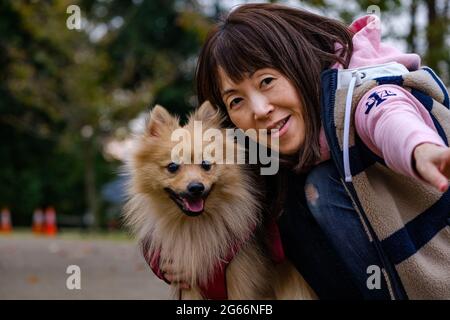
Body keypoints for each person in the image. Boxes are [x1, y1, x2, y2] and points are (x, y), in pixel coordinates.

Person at [190, 3, 450, 300]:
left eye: (267, 81)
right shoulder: (263, 149)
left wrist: (420, 148)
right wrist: (168, 258)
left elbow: (386, 113)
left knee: (320, 186)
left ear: (300, 63)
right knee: (283, 197)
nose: (260, 110)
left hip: (438, 275)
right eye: (236, 101)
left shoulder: (355, 94)